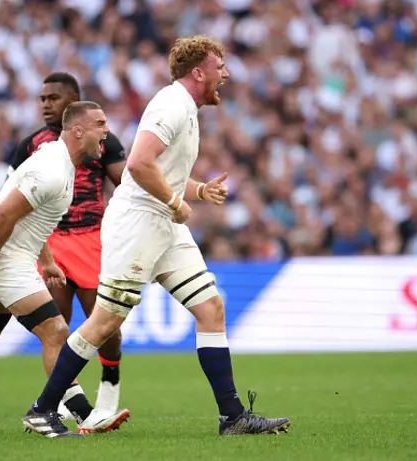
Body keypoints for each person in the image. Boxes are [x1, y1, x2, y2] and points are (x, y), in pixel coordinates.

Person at [26, 36, 291, 436]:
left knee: (211, 308)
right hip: (139, 224)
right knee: (104, 323)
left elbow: (161, 171)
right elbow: (137, 163)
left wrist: (197, 192)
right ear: (198, 72)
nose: (227, 74)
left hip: (163, 224)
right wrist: (173, 198)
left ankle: (232, 416)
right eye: (220, 67)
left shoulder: (184, 107)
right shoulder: (171, 105)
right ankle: (42, 408)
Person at [0, 101, 129, 438]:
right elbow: (4, 214)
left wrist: (45, 260)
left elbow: (31, 216)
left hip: (8, 254)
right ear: (77, 130)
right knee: (56, 331)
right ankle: (73, 414)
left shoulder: (62, 162)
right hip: (4, 258)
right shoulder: (53, 168)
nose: (107, 131)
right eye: (100, 123)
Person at [8, 72, 127, 422]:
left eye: (53, 98)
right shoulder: (30, 145)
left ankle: (111, 375)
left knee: (106, 326)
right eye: (42, 99)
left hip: (92, 240)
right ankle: (63, 403)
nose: (46, 104)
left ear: (73, 100)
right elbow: (10, 193)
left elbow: (126, 184)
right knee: (55, 327)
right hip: (51, 242)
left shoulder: (104, 141)